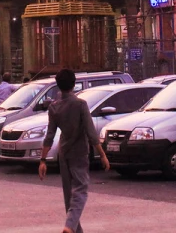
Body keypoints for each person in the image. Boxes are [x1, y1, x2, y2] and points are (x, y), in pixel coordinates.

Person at [39, 69, 111, 233]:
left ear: (58, 85)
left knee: (68, 197)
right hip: (79, 153)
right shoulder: (80, 104)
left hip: (64, 154)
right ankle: (70, 226)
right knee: (80, 190)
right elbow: (91, 133)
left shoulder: (54, 107)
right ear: (74, 84)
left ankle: (73, 229)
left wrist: (43, 161)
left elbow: (49, 136)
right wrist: (103, 155)